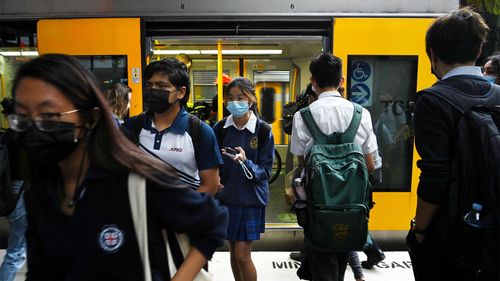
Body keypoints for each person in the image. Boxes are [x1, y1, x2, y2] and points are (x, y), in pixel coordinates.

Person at [8, 54, 228, 280]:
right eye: (22, 117)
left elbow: (212, 211)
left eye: (49, 116)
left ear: (91, 118)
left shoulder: (134, 179)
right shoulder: (41, 192)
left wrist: (169, 218)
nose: (34, 128)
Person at [407, 8, 499, 281]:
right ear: (479, 49)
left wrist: (419, 230)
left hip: (452, 232)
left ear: (432, 53)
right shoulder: (497, 95)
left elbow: (435, 176)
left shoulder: (432, 101)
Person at [290, 53, 377, 281]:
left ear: (313, 82)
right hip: (352, 207)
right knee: (340, 263)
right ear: (342, 81)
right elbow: (370, 165)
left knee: (322, 266)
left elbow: (302, 164)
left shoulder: (303, 117)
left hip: (317, 208)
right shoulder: (362, 114)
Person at [123, 58, 223, 195]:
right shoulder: (132, 127)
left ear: (181, 92)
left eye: (162, 86)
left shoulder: (200, 132)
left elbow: (210, 186)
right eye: (149, 85)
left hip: (183, 214)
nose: (153, 91)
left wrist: (179, 212)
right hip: (137, 214)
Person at [213, 77, 275, 281]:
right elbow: (212, 163)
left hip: (251, 200)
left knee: (242, 254)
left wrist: (245, 162)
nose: (235, 102)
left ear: (251, 100)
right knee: (232, 250)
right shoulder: (220, 129)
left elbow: (265, 171)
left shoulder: (263, 130)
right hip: (226, 198)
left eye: (240, 97)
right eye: (230, 98)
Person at [0, 98, 27, 281]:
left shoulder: (4, 137)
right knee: (16, 253)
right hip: (21, 194)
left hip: (9, 193)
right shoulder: (24, 139)